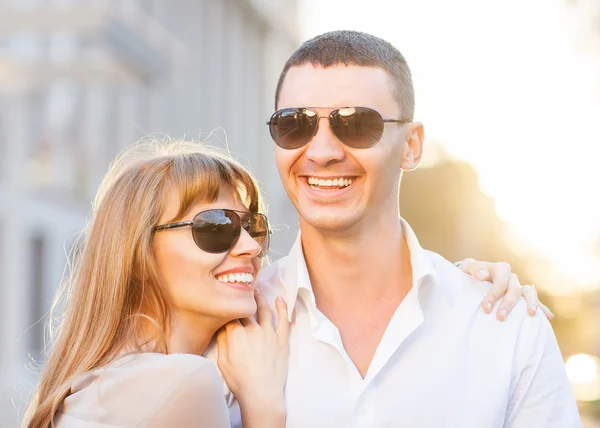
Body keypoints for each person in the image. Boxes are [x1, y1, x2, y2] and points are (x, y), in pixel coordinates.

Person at [212, 30, 580, 427]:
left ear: (412, 145)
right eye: (294, 124)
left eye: (355, 124)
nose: (321, 152)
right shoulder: (224, 323)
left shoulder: (507, 328)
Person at [23, 142, 289, 428]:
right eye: (216, 227)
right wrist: (264, 407)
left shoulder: (100, 386)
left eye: (253, 228)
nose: (250, 247)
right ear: (140, 252)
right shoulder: (185, 381)